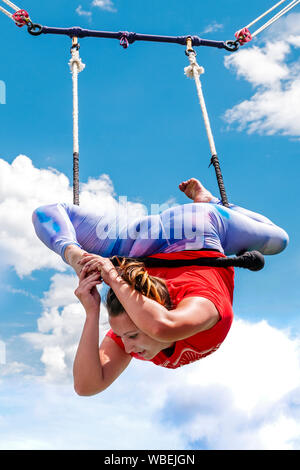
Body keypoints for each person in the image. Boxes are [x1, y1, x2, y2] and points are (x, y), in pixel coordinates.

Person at [32, 178, 289, 396]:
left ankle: (71, 250)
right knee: (279, 240)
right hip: (192, 232)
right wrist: (112, 277)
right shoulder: (206, 306)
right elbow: (159, 327)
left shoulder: (138, 323)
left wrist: (92, 307)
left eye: (128, 335)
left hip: (145, 245)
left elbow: (87, 385)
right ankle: (208, 202)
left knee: (280, 241)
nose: (128, 347)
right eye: (127, 336)